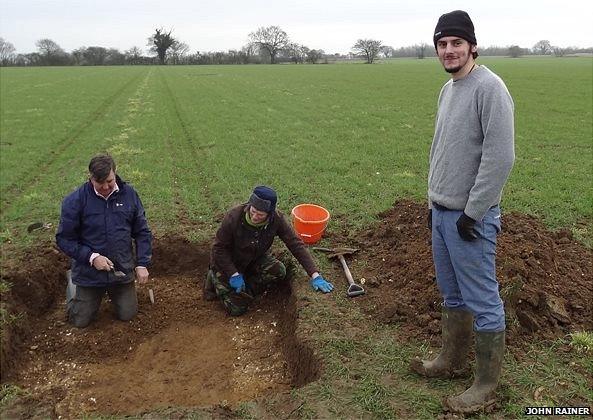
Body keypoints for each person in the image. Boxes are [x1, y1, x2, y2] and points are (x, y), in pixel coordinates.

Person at [410, 10, 515, 414]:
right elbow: (443, 151)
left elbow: (500, 156)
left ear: (472, 45)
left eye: (456, 43)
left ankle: (486, 383)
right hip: (442, 213)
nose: (449, 50)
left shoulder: (490, 88)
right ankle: (450, 361)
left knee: (483, 298)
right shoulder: (448, 89)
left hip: (471, 218)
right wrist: (432, 201)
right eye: (442, 44)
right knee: (452, 293)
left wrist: (474, 211)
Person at [205, 185, 333, 316]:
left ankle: (245, 291)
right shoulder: (234, 217)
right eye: (253, 211)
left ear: (269, 214)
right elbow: (218, 249)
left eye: (260, 215)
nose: (255, 217)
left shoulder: (276, 219)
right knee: (236, 310)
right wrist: (233, 273)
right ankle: (214, 277)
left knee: (279, 271)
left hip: (253, 259)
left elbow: (295, 244)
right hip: (228, 262)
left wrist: (315, 275)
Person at [56, 154, 152, 328]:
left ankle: (117, 294)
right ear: (91, 178)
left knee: (127, 314)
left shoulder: (129, 195)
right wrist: (92, 257)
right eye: (100, 183)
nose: (106, 187)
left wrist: (142, 263)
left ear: (115, 173)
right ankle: (73, 285)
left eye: (110, 181)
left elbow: (142, 232)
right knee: (80, 321)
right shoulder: (75, 201)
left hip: (121, 270)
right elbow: (64, 239)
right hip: (89, 273)